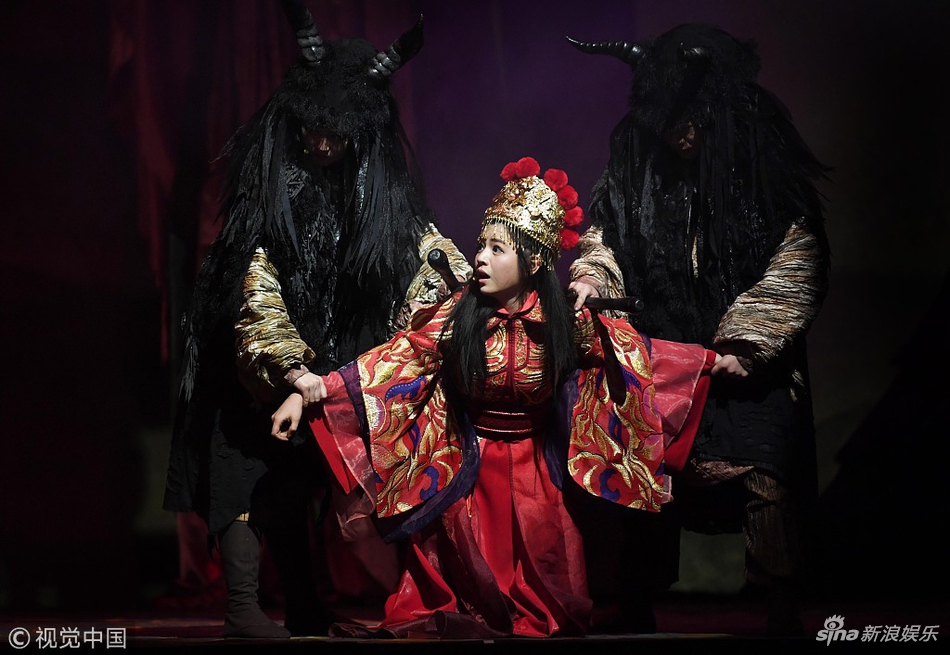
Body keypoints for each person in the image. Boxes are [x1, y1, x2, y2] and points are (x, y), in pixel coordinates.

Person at [268, 156, 735, 638]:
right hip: (467, 469)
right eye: (481, 246)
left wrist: (706, 361)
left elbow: (635, 354)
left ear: (534, 261)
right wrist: (308, 393)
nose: (480, 258)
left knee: (550, 607)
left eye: (497, 249)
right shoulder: (457, 315)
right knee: (460, 601)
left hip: (539, 475)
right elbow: (389, 362)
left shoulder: (564, 321)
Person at [162, 0, 470, 638]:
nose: (324, 144)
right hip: (250, 357)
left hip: (327, 354)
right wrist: (290, 369)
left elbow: (419, 247)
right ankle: (241, 607)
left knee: (300, 480)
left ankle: (304, 602)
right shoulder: (272, 190)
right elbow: (256, 290)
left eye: (338, 133)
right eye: (314, 129)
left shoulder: (373, 189)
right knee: (245, 469)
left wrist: (465, 284)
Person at [567, 23, 832, 635]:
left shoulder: (760, 166)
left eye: (690, 121)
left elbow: (800, 254)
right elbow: (605, 235)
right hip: (661, 354)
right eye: (669, 122)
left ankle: (780, 602)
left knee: (767, 473)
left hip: (748, 365)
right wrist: (594, 279)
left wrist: (748, 337)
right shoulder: (637, 160)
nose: (679, 134)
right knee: (642, 467)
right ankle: (632, 597)